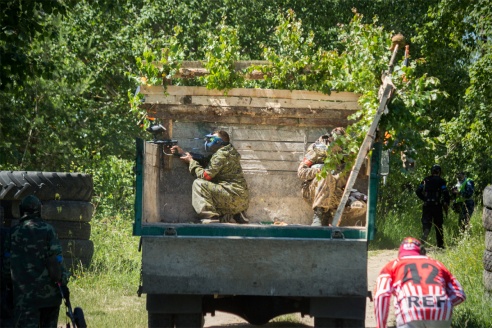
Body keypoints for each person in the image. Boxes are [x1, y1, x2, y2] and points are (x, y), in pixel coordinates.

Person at [2, 195, 70, 328]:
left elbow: (6, 266)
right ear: (39, 210)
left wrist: (8, 287)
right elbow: (57, 260)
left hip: (25, 298)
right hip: (50, 297)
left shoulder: (13, 233)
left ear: (22, 211)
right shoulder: (48, 230)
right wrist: (63, 282)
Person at [374, 237, 466, 328]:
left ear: (400, 253)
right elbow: (459, 293)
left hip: (409, 311)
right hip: (441, 312)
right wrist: (443, 303)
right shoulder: (437, 264)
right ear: (422, 251)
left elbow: (381, 295)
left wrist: (380, 326)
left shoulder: (392, 265)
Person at [171, 130, 250, 223]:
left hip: (231, 195)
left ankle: (210, 218)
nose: (208, 141)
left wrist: (191, 162)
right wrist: (184, 153)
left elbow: (205, 176)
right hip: (241, 199)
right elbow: (208, 162)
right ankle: (237, 213)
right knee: (216, 187)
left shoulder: (220, 155)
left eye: (211, 139)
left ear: (219, 141)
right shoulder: (229, 151)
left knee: (199, 184)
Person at [297, 127, 348, 226]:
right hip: (313, 190)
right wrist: (319, 170)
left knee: (360, 206)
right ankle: (319, 216)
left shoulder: (345, 154)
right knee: (326, 176)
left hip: (336, 192)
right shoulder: (318, 149)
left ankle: (330, 216)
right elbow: (301, 172)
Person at [415, 164, 450, 249]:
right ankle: (440, 245)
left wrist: (425, 199)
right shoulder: (441, 181)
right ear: (439, 172)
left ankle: (422, 243)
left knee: (426, 225)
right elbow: (445, 192)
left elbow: (418, 191)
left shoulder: (425, 180)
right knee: (438, 225)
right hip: (437, 206)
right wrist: (446, 202)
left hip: (427, 206)